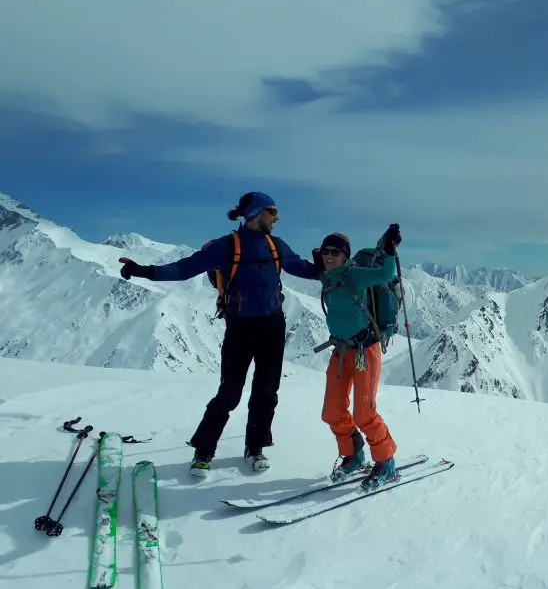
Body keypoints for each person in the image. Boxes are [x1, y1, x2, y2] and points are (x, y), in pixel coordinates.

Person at [118, 192, 322, 478]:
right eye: (272, 211)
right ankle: (203, 451)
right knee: (229, 393)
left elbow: (302, 269)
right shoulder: (226, 247)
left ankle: (255, 447)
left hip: (274, 325)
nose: (276, 218)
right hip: (241, 327)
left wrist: (325, 267)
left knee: (266, 391)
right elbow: (183, 268)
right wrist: (144, 271)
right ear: (257, 212)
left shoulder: (276, 245)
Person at [317, 224, 402, 491]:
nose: (328, 256)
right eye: (324, 252)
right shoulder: (327, 277)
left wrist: (388, 250)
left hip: (366, 351)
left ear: (345, 255)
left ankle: (386, 461)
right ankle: (353, 455)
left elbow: (385, 273)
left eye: (334, 252)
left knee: (364, 413)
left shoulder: (356, 275)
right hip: (340, 352)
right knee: (332, 412)